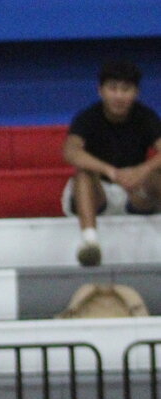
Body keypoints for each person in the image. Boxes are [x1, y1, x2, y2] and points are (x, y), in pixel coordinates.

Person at [63, 60, 161, 266]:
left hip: (134, 192)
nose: (118, 96)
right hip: (98, 193)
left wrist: (142, 170)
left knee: (155, 177)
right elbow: (70, 151)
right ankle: (90, 242)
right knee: (83, 175)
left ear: (136, 92)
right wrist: (110, 171)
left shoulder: (146, 117)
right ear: (100, 91)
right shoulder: (88, 118)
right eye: (113, 88)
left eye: (125, 89)